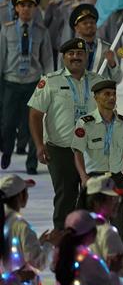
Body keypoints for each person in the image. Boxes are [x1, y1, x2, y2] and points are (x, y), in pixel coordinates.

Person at [28, 38, 102, 229]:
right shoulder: (50, 81)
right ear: (63, 57)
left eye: (80, 53)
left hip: (90, 152)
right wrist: (39, 145)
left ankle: (87, 244)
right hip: (61, 150)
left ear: (86, 56)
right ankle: (61, 243)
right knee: (65, 198)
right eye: (71, 54)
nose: (75, 57)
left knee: (92, 199)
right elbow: (35, 115)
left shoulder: (98, 82)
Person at [72, 80, 123, 244]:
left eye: (113, 94)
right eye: (106, 94)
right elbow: (77, 151)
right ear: (96, 97)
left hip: (117, 180)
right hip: (95, 181)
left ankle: (118, 263)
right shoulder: (85, 123)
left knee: (120, 228)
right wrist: (84, 177)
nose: (112, 97)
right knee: (91, 228)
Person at [0, 0, 53, 174]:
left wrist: (48, 83)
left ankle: (32, 162)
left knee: (33, 125)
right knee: (7, 123)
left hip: (33, 83)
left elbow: (47, 59)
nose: (26, 9)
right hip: (11, 82)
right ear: (16, 8)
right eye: (22, 5)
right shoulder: (6, 30)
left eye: (30, 6)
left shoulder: (41, 31)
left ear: (35, 8)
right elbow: (2, 56)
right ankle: (6, 150)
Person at [66, 3, 122, 83]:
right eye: (85, 23)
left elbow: (118, 80)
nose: (89, 25)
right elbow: (61, 79)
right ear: (76, 28)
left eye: (92, 22)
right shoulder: (68, 50)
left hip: (100, 94)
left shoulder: (106, 48)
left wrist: (112, 64)